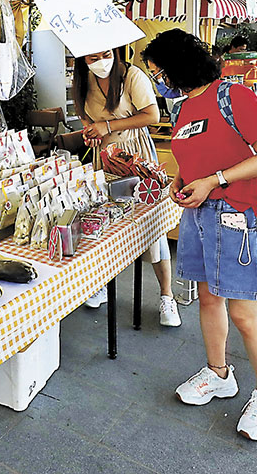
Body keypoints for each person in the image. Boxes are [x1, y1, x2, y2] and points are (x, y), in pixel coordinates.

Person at [142, 29, 257, 441]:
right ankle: (218, 372)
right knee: (208, 298)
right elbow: (192, 156)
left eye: (160, 72)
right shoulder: (184, 106)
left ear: (179, 66)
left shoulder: (234, 96)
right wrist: (180, 179)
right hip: (200, 215)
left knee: (244, 313)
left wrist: (214, 180)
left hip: (241, 216)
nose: (159, 80)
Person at [72, 47, 181, 327]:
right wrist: (91, 132)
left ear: (115, 51)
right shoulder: (83, 81)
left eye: (105, 54)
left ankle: (167, 296)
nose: (100, 62)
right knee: (104, 220)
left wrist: (107, 125)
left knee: (151, 226)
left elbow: (151, 115)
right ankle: (100, 283)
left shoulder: (132, 76)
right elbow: (86, 117)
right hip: (105, 159)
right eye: (92, 57)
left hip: (136, 153)